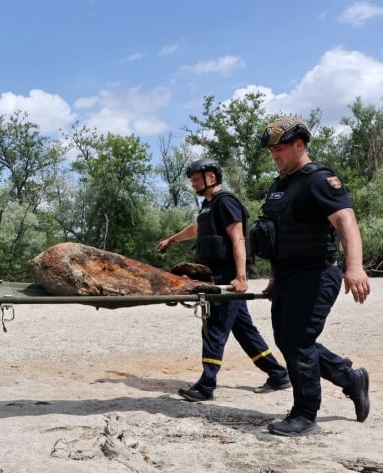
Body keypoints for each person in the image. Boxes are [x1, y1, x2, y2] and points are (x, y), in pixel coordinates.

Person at [254, 115, 371, 437]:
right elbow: (276, 236)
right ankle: (350, 378)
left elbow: (346, 222)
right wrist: (276, 277)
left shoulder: (319, 180)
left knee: (298, 340)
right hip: (289, 275)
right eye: (271, 150)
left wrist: (355, 266)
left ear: (300, 145)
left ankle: (305, 414)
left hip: (317, 273)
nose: (274, 155)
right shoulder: (280, 185)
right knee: (289, 340)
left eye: (279, 148)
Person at [156, 158, 290, 402]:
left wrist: (240, 277)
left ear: (212, 177)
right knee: (244, 330)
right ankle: (278, 374)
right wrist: (172, 240)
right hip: (215, 273)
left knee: (214, 328)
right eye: (192, 179)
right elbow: (197, 228)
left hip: (226, 276)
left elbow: (238, 238)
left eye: (197, 178)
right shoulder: (208, 206)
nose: (193, 183)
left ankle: (206, 384)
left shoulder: (225, 202)